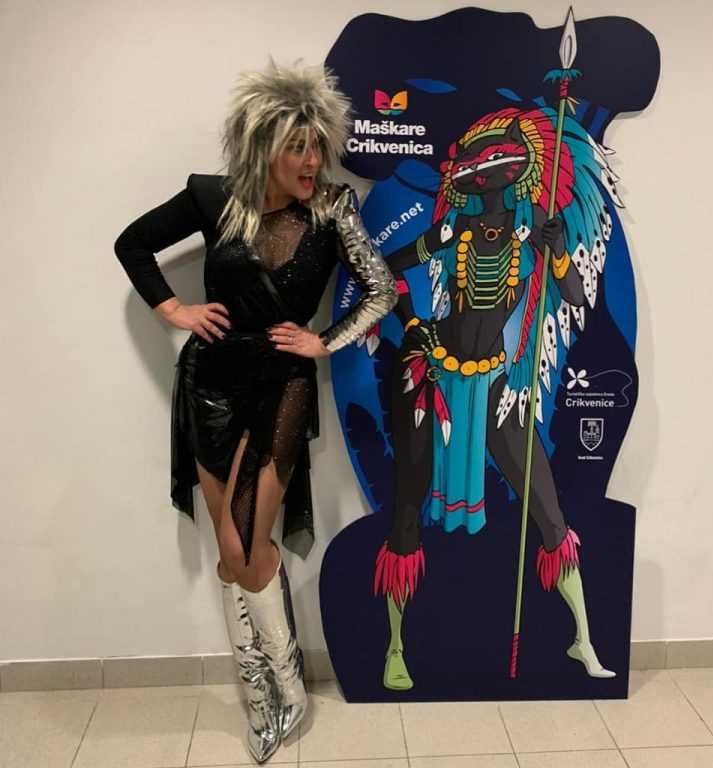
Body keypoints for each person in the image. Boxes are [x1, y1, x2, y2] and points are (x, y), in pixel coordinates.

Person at [114, 61, 397, 763]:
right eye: (297, 147)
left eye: (318, 146)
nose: (312, 161)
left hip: (282, 386)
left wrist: (325, 340)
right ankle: (257, 690)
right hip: (209, 382)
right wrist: (174, 309)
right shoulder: (213, 198)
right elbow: (132, 244)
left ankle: (290, 688)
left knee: (244, 547)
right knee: (230, 550)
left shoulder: (334, 207)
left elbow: (382, 289)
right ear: (262, 144)